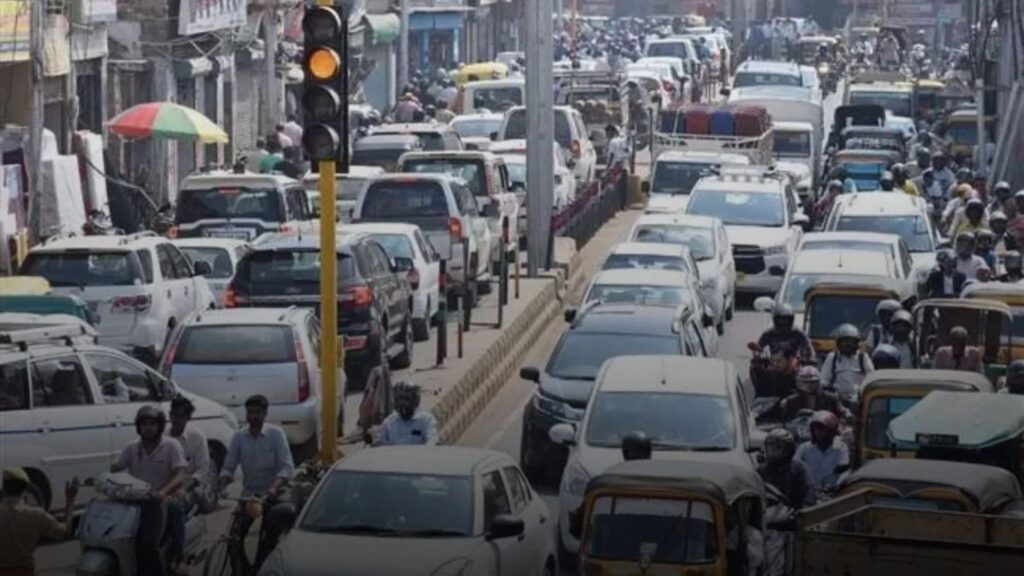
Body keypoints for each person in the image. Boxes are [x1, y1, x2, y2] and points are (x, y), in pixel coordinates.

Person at [218, 395, 295, 569]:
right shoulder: (239, 437)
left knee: (268, 538)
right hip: (250, 495)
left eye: (258, 413)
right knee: (234, 537)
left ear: (265, 414)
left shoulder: (276, 434)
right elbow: (228, 466)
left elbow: (287, 468)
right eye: (250, 412)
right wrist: (223, 482)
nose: (253, 417)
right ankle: (243, 570)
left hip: (274, 493)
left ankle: (263, 568)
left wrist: (273, 489)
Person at [111, 405, 189, 575]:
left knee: (151, 541)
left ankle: (179, 557)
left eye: (152, 424)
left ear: (160, 426)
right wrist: (109, 474)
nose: (148, 428)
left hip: (163, 497)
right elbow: (117, 467)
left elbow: (180, 474)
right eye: (144, 424)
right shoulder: (131, 447)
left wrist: (163, 492)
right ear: (138, 426)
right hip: (138, 499)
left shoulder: (171, 445)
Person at [0, 468, 78, 576]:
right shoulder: (36, 515)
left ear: (4, 487)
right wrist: (70, 500)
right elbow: (65, 530)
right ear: (24, 490)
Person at [758, 428, 815, 509]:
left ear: (788, 449)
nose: (772, 451)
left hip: (793, 514)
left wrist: (803, 513)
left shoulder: (799, 468)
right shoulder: (762, 471)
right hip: (769, 515)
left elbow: (809, 492)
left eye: (778, 448)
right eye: (770, 447)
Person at [795, 411, 849, 491]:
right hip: (809, 492)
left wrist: (838, 485)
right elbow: (795, 467)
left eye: (822, 429)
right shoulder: (804, 448)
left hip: (831, 493)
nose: (818, 433)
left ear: (831, 431)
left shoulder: (840, 448)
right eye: (815, 430)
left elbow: (844, 470)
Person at [374, 381, 438, 446]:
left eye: (406, 399)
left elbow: (431, 443)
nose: (402, 403)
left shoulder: (426, 420)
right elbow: (379, 444)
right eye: (399, 399)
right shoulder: (389, 423)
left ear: (416, 400)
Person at [820, 323, 874, 398]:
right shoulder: (832, 357)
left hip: (859, 399)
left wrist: (859, 391)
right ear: (839, 343)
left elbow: (871, 379)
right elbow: (823, 380)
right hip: (837, 400)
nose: (848, 345)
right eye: (845, 341)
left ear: (856, 343)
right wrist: (832, 389)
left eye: (851, 342)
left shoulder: (863, 357)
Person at [780, 366, 847, 422]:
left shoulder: (831, 398)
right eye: (805, 382)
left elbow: (840, 417)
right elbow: (785, 421)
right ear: (799, 383)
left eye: (812, 382)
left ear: (818, 382)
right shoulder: (792, 400)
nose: (809, 385)